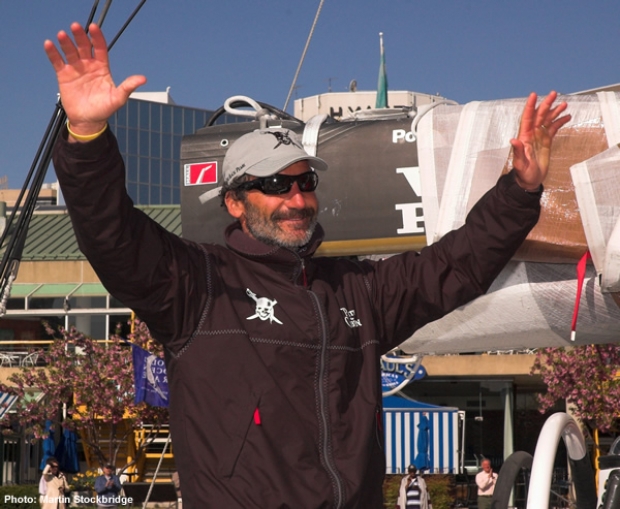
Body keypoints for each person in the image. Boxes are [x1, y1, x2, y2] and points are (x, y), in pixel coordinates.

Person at [44, 21, 570, 509]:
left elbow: (454, 266)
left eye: (305, 182)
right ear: (234, 202)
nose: (296, 199)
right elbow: (111, 233)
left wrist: (520, 189)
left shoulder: (357, 289)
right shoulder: (196, 283)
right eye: (276, 184)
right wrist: (86, 135)